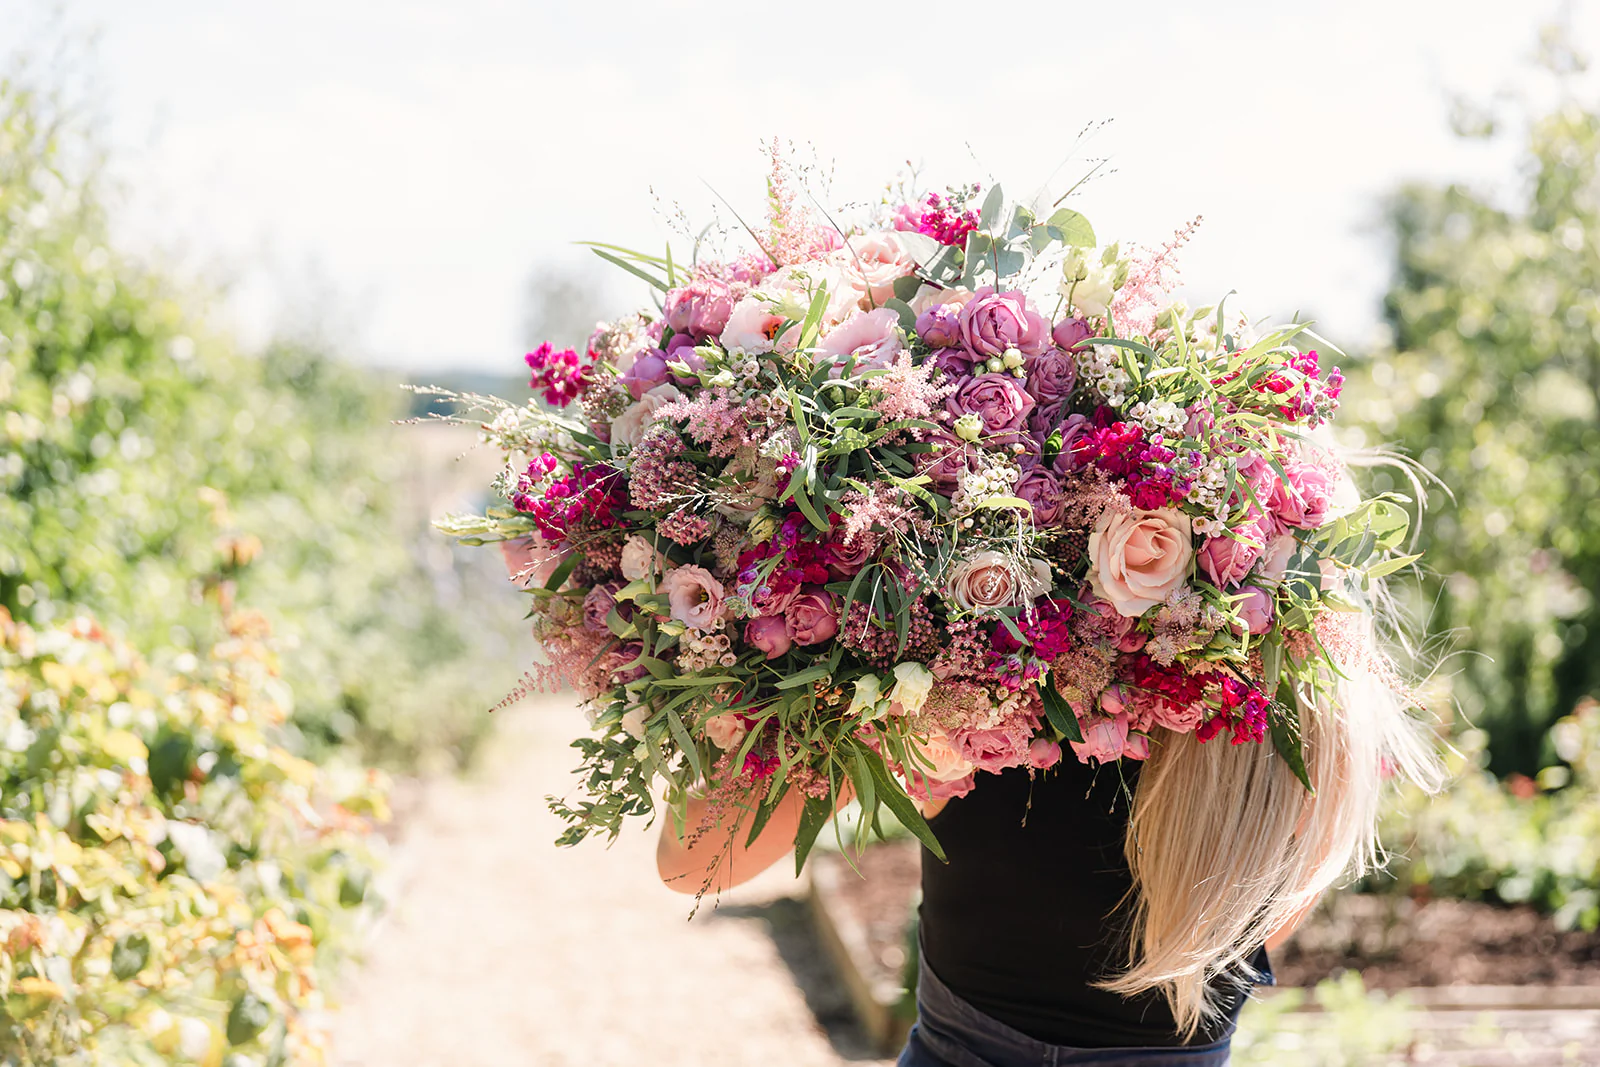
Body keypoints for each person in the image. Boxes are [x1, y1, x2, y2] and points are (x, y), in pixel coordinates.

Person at [655, 613, 1442, 1065]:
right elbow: (1300, 866)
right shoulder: (1275, 636)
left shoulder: (966, 620)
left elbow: (692, 860)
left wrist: (805, 683)